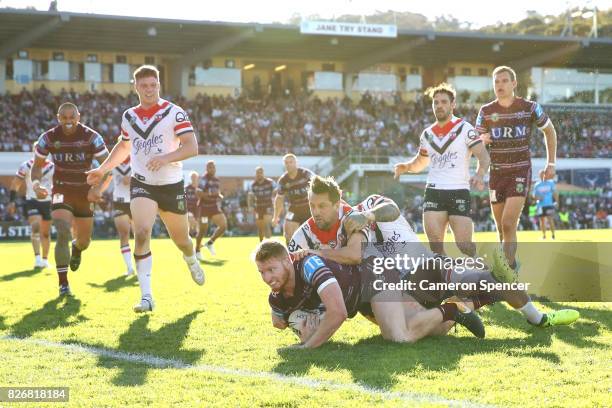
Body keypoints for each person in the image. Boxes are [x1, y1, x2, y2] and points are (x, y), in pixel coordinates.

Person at [292, 176, 579, 332]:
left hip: (424, 268)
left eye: (322, 206)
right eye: (313, 207)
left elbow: (390, 211)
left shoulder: (369, 205)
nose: (317, 213)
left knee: (488, 283)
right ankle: (463, 308)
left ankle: (536, 317)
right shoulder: (341, 237)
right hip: (401, 290)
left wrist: (367, 215)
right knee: (421, 328)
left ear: (339, 202)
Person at [86, 65, 204, 312]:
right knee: (140, 231)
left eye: (153, 85)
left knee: (181, 240)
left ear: (159, 85)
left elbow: (192, 147)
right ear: (135, 86)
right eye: (144, 85)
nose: (149, 90)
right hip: (142, 184)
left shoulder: (174, 112)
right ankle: (147, 297)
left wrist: (165, 158)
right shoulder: (129, 116)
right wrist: (103, 169)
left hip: (171, 185)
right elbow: (124, 146)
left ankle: (191, 259)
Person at [254, 240, 484, 348]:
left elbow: (338, 312)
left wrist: (308, 346)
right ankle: (463, 305)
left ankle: (453, 307)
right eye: (261, 272)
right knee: (430, 329)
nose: (266, 278)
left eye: (271, 269)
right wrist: (301, 327)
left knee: (399, 337)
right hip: (360, 299)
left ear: (287, 260)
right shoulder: (276, 296)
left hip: (373, 275)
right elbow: (279, 322)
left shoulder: (308, 265)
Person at [476, 66, 557, 273]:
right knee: (502, 229)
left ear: (514, 84)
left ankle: (504, 275)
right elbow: (475, 144)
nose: (500, 85)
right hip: (496, 173)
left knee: (509, 223)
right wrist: (481, 140)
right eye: (496, 82)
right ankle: (511, 268)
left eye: (504, 81)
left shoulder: (530, 107)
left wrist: (551, 163)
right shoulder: (485, 111)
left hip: (520, 171)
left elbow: (550, 131)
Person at [394, 83, 490, 257]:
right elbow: (420, 162)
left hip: (458, 191)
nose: (439, 105)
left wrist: (480, 174)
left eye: (444, 102)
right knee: (436, 248)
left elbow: (484, 156)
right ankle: (446, 281)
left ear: (453, 105)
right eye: (436, 102)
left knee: (465, 245)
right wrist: (407, 166)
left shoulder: (465, 129)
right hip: (434, 192)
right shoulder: (427, 134)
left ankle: (482, 272)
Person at [32, 102, 110, 297]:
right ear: (59, 118)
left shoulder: (92, 137)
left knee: (84, 241)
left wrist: (98, 189)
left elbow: (109, 166)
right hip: (61, 190)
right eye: (64, 118)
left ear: (78, 117)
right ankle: (63, 284)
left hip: (85, 192)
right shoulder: (48, 137)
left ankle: (77, 249)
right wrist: (35, 184)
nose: (68, 121)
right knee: (63, 230)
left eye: (71, 117)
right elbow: (37, 165)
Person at [9, 150, 54, 269]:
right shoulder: (26, 166)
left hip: (48, 202)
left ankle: (45, 260)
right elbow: (15, 184)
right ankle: (37, 258)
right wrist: (12, 201)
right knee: (35, 226)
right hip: (32, 200)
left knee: (45, 233)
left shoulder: (53, 167)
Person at [273, 154, 314, 243]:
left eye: (291, 162)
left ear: (296, 163)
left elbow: (319, 186)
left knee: (313, 236)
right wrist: (275, 217)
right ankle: (291, 255)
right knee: (288, 234)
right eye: (286, 163)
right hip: (294, 209)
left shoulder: (306, 174)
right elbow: (279, 199)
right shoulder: (283, 180)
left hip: (309, 208)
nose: (289, 164)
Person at [195, 160, 227, 260]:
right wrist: (209, 195)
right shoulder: (204, 179)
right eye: (209, 167)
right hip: (204, 208)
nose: (212, 169)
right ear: (206, 169)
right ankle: (197, 250)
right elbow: (198, 192)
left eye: (213, 167)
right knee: (203, 230)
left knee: (223, 226)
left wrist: (220, 195)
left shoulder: (216, 180)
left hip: (213, 207)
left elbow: (217, 192)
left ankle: (210, 242)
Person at [111, 155, 134, 275]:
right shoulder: (113, 160)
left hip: (136, 200)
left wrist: (133, 180)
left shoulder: (136, 159)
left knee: (141, 235)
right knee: (124, 233)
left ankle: (141, 265)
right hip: (119, 201)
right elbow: (107, 177)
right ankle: (129, 267)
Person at [248, 166, 276, 241]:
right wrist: (250, 206)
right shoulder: (253, 185)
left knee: (266, 225)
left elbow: (276, 192)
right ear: (255, 174)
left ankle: (269, 244)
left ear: (263, 173)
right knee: (260, 228)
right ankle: (261, 245)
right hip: (258, 208)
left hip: (268, 206)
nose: (259, 174)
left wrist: (275, 202)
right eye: (257, 173)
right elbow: (250, 196)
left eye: (260, 173)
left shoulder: (270, 182)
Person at [533, 170, 558, 239]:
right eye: (541, 174)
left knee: (550, 219)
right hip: (540, 206)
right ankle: (544, 236)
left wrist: (557, 202)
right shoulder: (537, 185)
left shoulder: (551, 183)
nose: (543, 176)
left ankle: (553, 235)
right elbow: (534, 196)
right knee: (542, 220)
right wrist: (537, 198)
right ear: (539, 175)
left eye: (544, 174)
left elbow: (555, 193)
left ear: (546, 175)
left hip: (549, 205)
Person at [185, 171, 200, 238]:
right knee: (191, 220)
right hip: (189, 207)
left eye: (195, 177)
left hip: (198, 208)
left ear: (197, 178)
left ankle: (196, 234)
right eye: (192, 177)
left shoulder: (200, 188)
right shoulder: (187, 188)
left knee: (197, 222)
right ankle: (189, 233)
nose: (193, 179)